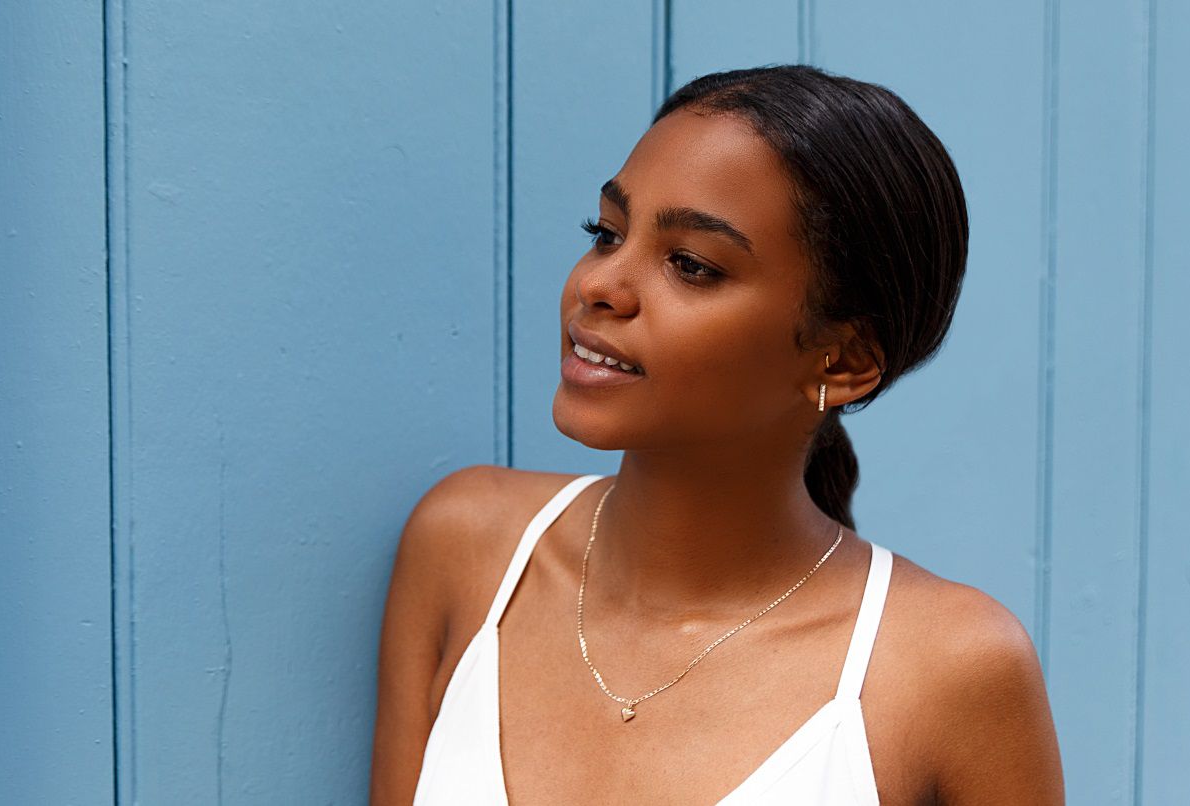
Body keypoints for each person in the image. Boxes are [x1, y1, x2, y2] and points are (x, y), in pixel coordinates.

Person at [370, 64, 1064, 805]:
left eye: (691, 265)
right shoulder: (468, 550)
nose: (599, 285)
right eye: (607, 232)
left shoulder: (950, 668)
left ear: (846, 359)